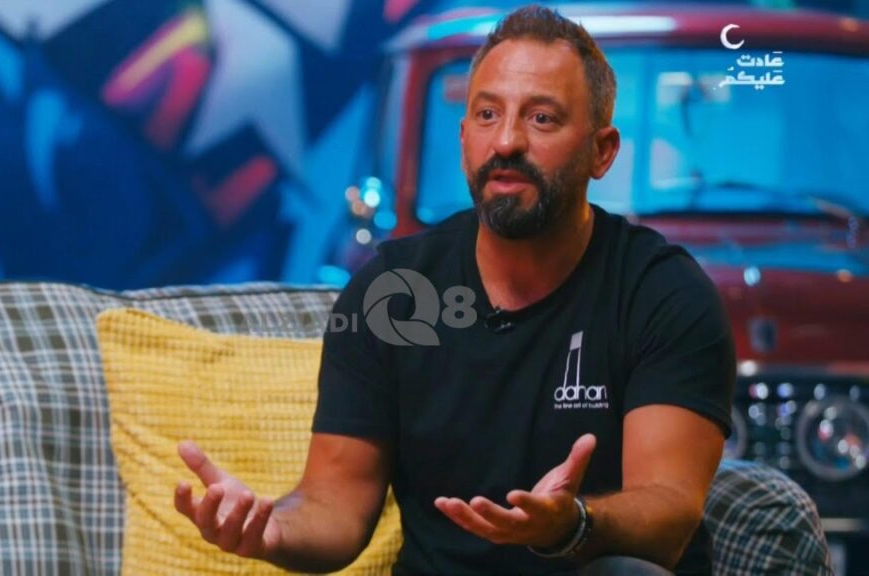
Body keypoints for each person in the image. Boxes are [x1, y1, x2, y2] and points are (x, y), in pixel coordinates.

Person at [173, 5, 735, 575]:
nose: (506, 141)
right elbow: (334, 506)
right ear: (464, 136)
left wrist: (573, 524)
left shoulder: (662, 291)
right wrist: (272, 528)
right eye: (488, 114)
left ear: (602, 151)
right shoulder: (392, 293)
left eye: (542, 118)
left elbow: (669, 512)